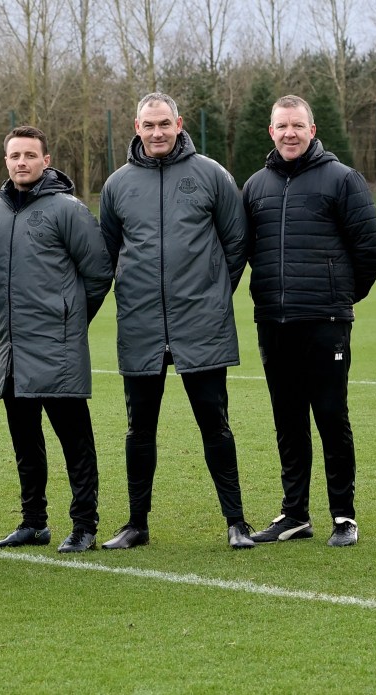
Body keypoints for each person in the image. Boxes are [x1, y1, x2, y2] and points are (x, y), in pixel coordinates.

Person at [99, 92, 255, 551]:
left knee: (215, 424)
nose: (157, 132)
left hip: (201, 325)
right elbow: (107, 254)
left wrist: (211, 295)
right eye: (149, 125)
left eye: (164, 123)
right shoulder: (116, 185)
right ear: (136, 127)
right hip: (141, 327)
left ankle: (236, 522)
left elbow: (237, 242)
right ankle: (136, 524)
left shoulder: (211, 175)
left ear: (179, 123)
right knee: (139, 429)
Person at [243, 95, 376, 547]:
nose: (289, 133)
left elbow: (370, 252)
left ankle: (343, 516)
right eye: (281, 126)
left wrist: (339, 298)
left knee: (330, 415)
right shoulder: (255, 187)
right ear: (271, 131)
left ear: (312, 128)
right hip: (274, 322)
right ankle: (295, 514)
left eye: (297, 125)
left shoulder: (342, 179)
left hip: (325, 321)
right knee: (287, 419)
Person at [0, 126, 113, 553]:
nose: (22, 162)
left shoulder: (68, 209)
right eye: (14, 155)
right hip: (11, 349)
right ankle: (33, 522)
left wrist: (69, 320)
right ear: (6, 161)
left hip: (57, 348)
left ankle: (84, 524)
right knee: (26, 444)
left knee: (75, 441)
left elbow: (97, 273)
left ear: (46, 160)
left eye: (30, 155)